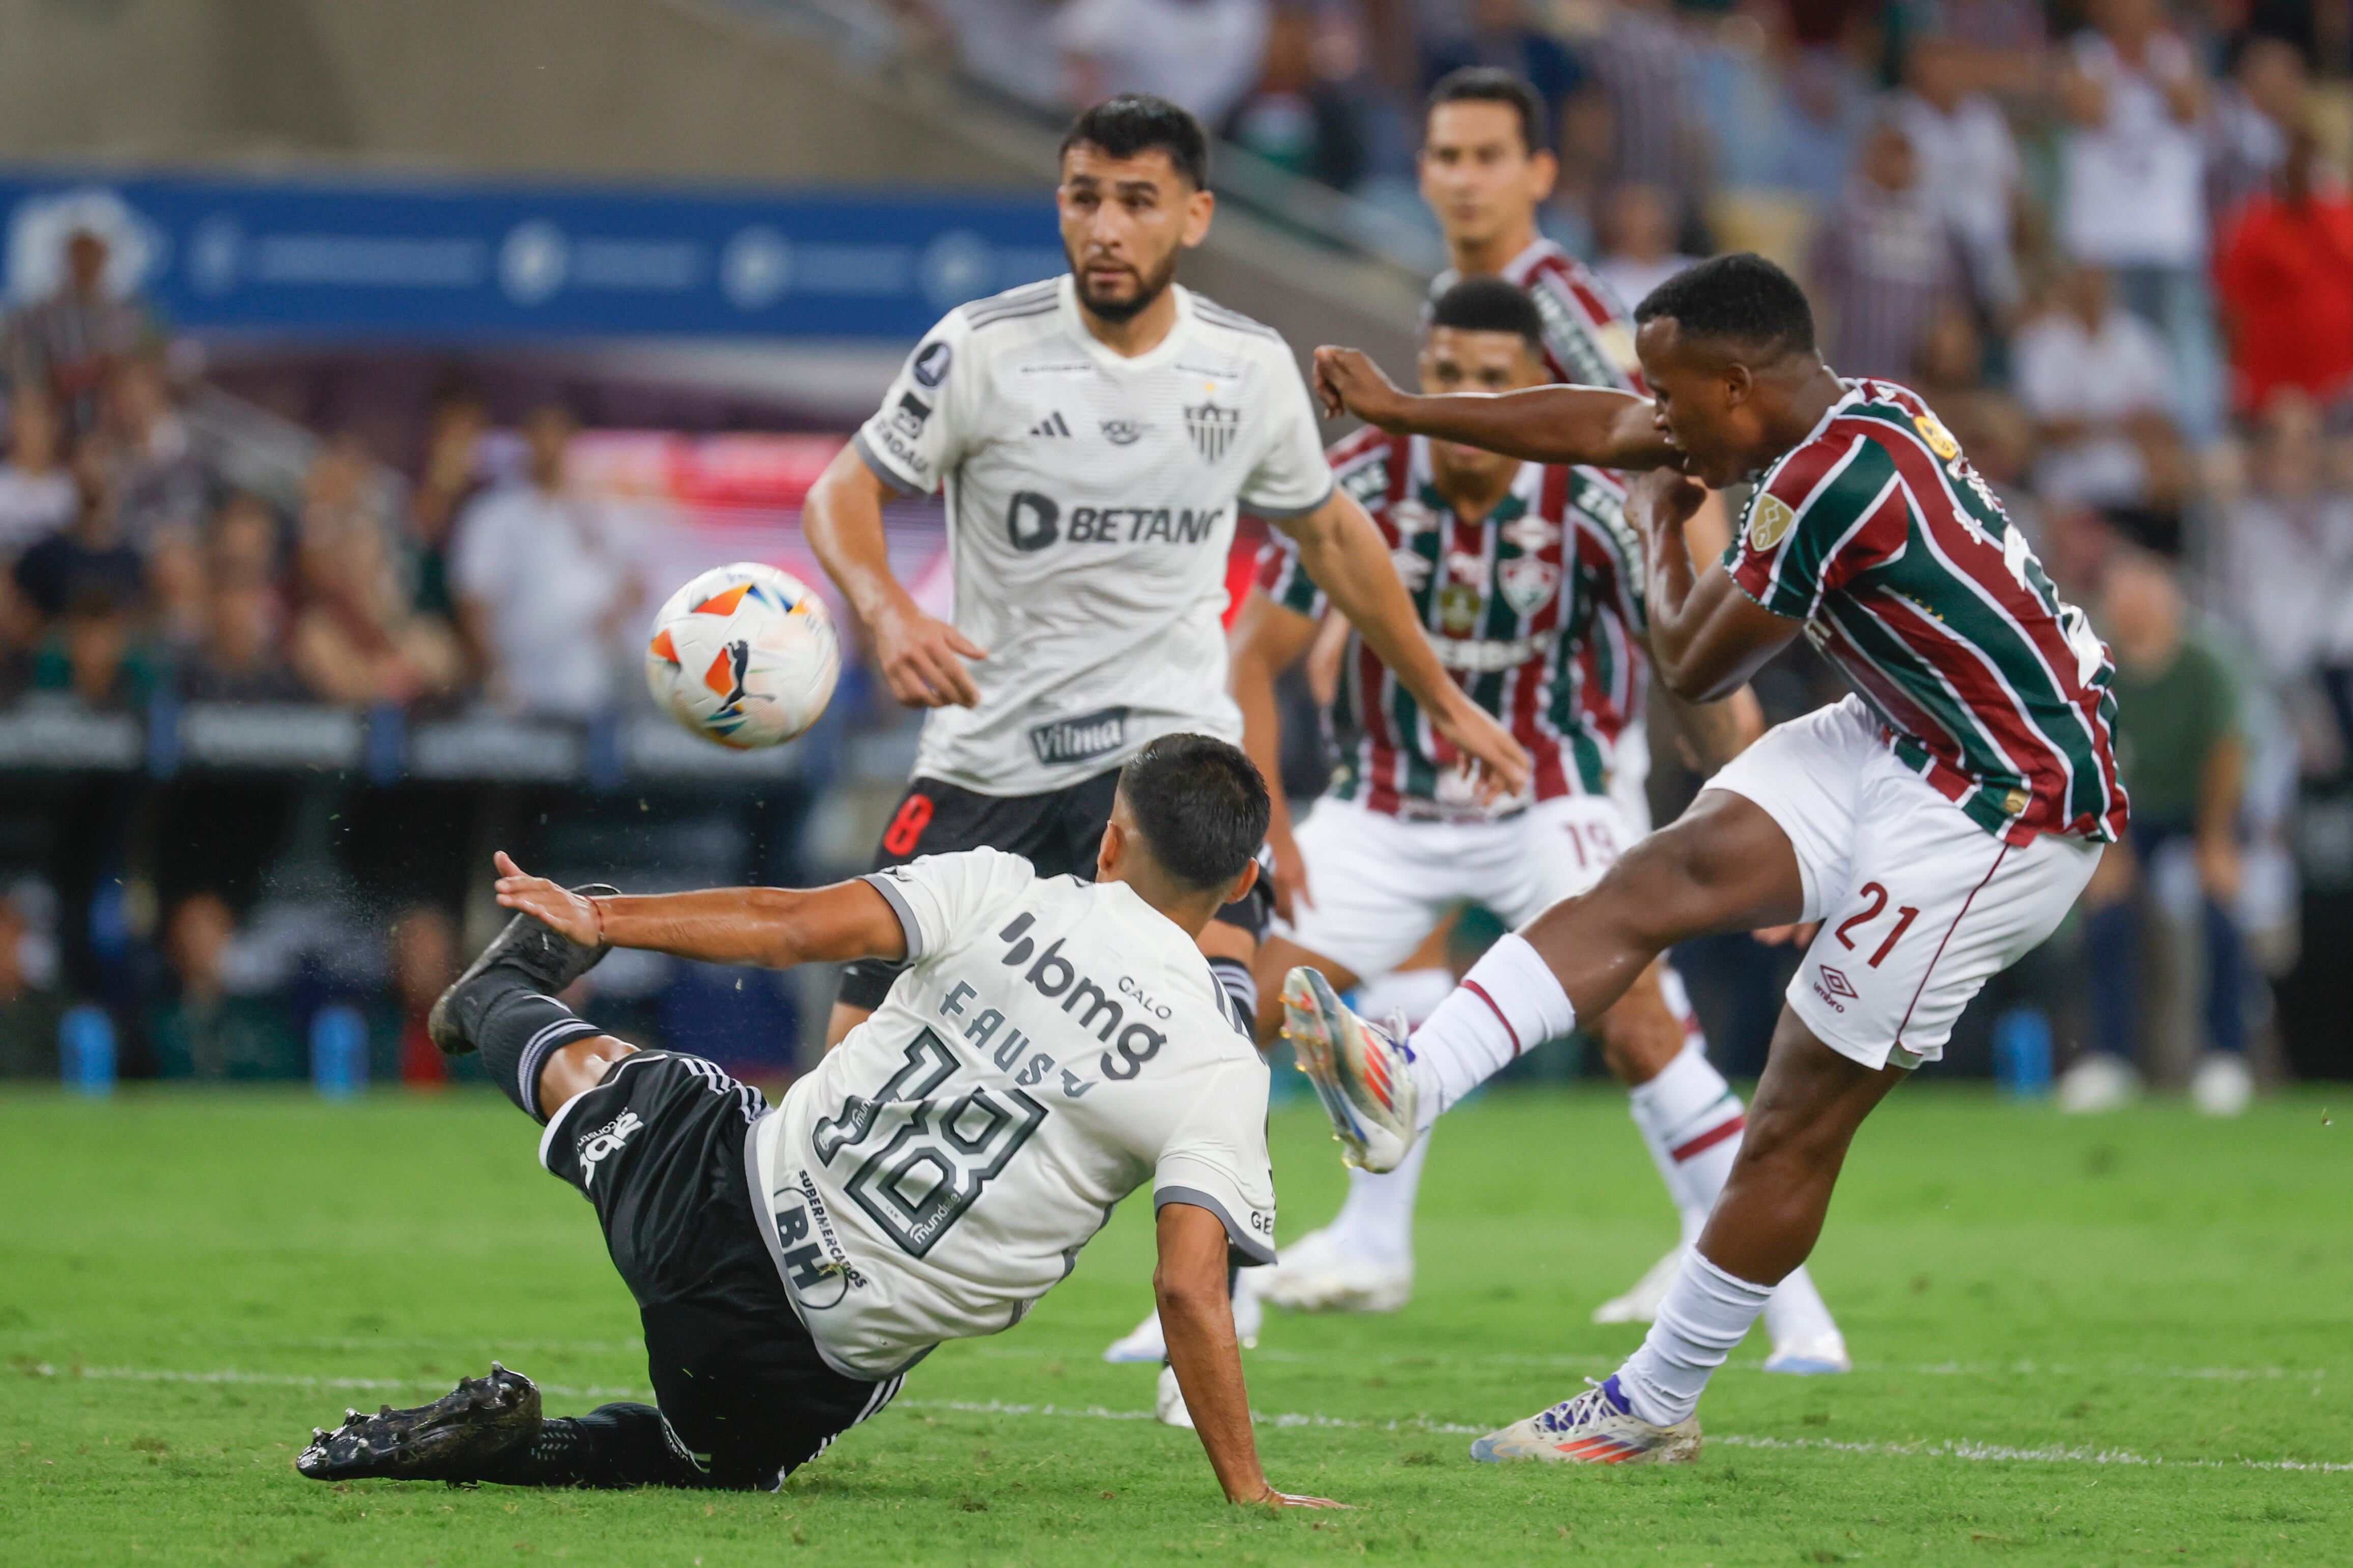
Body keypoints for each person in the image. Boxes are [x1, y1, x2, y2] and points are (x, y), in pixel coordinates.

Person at [1303, 252, 2121, 1463]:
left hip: (2002, 804)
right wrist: (1401, 408)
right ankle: (1410, 1086)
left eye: (1676, 399)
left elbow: (1689, 664)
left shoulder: (1833, 481)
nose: (1661, 421)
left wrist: (1651, 529)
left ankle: (1650, 1405)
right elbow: (1604, 425)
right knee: (1652, 880)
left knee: (1795, 1112)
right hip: (1907, 731)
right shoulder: (1848, 411)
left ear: (1738, 386)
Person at [296, 735, 1342, 1509]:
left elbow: (787, 927)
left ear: (1111, 838)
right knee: (712, 1459)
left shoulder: (991, 888)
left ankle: (496, 1002)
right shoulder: (1215, 1062)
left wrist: (606, 919)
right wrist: (1248, 1488)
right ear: (1244, 879)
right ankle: (534, 1450)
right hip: (792, 1374)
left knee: (617, 1075)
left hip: (710, 1200)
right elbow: (1187, 1285)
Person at [1187, 277, 1842, 1375]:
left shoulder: (1586, 499)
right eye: (1444, 370)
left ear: (1528, 385)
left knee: (1637, 1020)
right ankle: (1217, 1297)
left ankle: (1796, 1309)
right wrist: (1268, 830)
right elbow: (1252, 655)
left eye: (1492, 378)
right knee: (1226, 1009)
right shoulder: (1355, 480)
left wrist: (1770, 830)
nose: (1463, 392)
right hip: (1384, 805)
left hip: (1548, 797)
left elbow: (1689, 667)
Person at [802, 94, 1526, 1054]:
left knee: (1206, 1069)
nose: (1105, 229)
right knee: (857, 1062)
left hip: (1170, 769)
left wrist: (1440, 698)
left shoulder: (1245, 367)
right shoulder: (980, 349)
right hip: (990, 769)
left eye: (1137, 201)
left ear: (1195, 215)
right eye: (1083, 198)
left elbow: (1336, 539)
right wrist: (887, 612)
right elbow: (838, 496)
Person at [2071, 543, 2252, 1117]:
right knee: (2104, 919)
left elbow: (2226, 753)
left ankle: (2226, 1057)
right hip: (2125, 814)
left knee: (2221, 917)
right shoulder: (2093, 668)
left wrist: (2215, 841)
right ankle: (2109, 1058)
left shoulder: (2205, 664)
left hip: (2201, 808)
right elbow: (2084, 754)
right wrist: (2106, 847)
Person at [451, 404, 641, 718]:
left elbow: (636, 588)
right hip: (519, 687)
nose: (549, 447)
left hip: (588, 687)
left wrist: (607, 629)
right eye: (541, 436)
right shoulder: (494, 514)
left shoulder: (598, 512)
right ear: (526, 442)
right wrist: (493, 671)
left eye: (558, 436)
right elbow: (473, 601)